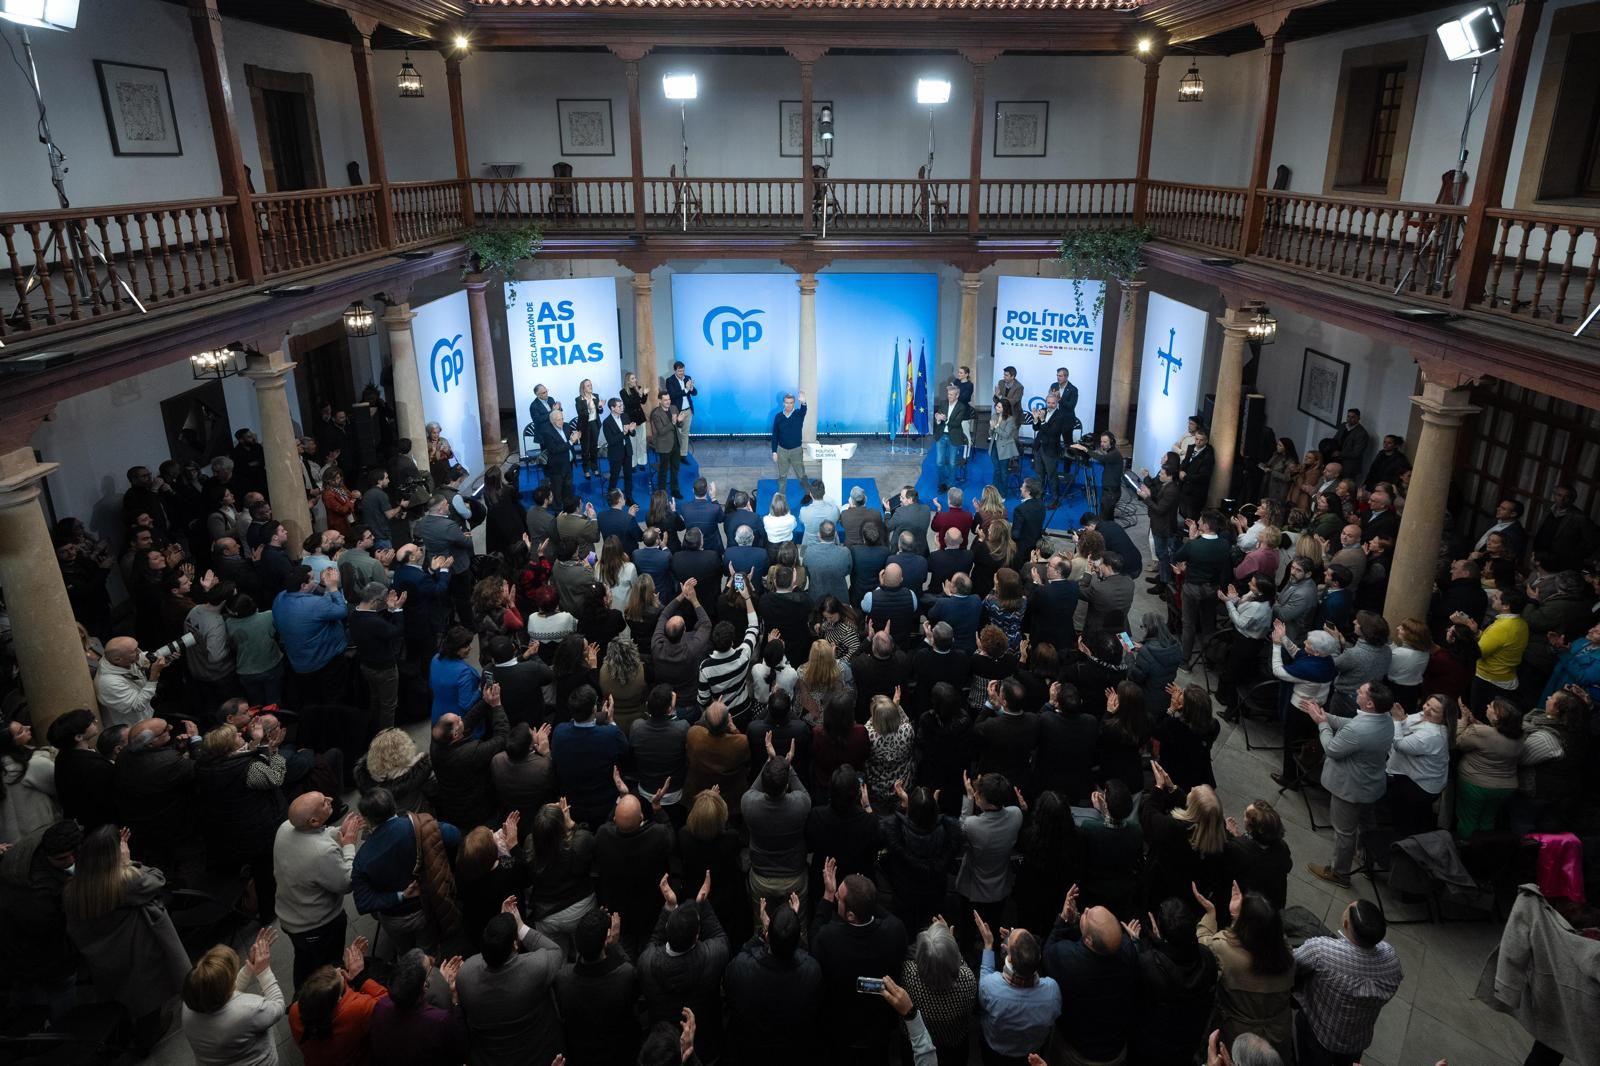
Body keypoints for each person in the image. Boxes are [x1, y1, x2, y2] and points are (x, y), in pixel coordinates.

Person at [65, 824, 191, 1052]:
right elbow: (157, 879)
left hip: (105, 958)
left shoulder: (75, 890)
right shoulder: (125, 882)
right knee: (148, 1004)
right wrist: (127, 863)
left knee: (129, 998)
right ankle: (147, 1040)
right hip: (137, 952)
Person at [811, 860, 910, 1063]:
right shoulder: (895, 932)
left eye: (839, 898)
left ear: (850, 915)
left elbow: (815, 936)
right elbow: (886, 915)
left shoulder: (829, 939)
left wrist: (828, 895)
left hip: (840, 1029)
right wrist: (866, 893)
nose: (836, 897)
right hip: (880, 1029)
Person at [1301, 682, 1396, 890]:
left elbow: (1333, 748)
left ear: (1369, 703)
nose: (1356, 692)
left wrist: (1321, 724)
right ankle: (1367, 861)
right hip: (1371, 785)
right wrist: (1328, 718)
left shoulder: (1359, 730)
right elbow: (1352, 724)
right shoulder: (1385, 718)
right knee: (1367, 825)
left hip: (1349, 788)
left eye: (1360, 692)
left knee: (1344, 832)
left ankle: (1340, 873)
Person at [1291, 900, 1403, 1066]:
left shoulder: (1321, 951)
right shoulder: (1392, 960)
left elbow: (1292, 964)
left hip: (1319, 1033)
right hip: (1357, 1040)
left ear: (1345, 925)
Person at [274, 790, 364, 990]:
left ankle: (301, 998)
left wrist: (339, 831)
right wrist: (348, 845)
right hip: (317, 925)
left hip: (291, 916)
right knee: (326, 969)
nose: (331, 799)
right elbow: (347, 882)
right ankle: (326, 1003)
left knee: (305, 961)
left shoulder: (285, 827)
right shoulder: (322, 853)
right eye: (324, 803)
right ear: (314, 820)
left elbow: (318, 835)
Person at [456, 902, 565, 1066]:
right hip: (538, 1055)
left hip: (491, 1058)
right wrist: (520, 928)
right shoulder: (535, 968)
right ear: (515, 944)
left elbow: (488, 956)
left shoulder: (465, 975)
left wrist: (500, 936)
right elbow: (556, 952)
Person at [638, 872, 731, 1063]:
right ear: (697, 936)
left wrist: (669, 908)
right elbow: (720, 938)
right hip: (705, 1042)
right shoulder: (712, 957)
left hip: (663, 1046)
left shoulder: (646, 963)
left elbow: (653, 942)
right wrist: (703, 905)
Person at [1196, 885, 1295, 1061]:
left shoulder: (1226, 950)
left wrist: (1211, 916)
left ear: (1245, 925)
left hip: (1239, 1034)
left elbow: (1204, 946)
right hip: (1278, 1033)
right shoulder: (1285, 953)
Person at [1042, 888, 1139, 1066]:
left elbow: (1049, 952)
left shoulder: (1069, 961)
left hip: (1076, 1053)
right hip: (1116, 1050)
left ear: (1088, 941)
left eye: (1087, 916)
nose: (1085, 910)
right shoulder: (1129, 952)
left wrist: (1064, 920)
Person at [725, 895, 822, 1065]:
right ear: (798, 938)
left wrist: (762, 934)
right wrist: (792, 925)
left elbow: (740, 959)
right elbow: (805, 954)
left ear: (768, 937)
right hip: (796, 1051)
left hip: (751, 1051)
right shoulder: (812, 971)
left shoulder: (741, 968)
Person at [180, 930, 284, 1066]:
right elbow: (278, 1006)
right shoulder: (248, 1010)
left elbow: (223, 992)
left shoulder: (190, 1004)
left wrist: (250, 968)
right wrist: (263, 971)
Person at [1454, 697, 1525, 837]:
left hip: (1476, 785)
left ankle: (1466, 851)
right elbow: (1494, 735)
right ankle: (1485, 850)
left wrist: (1463, 721)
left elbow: (1458, 742)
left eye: (1491, 706)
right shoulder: (1519, 736)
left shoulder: (1480, 732)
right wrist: (1474, 723)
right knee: (1488, 820)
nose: (1487, 706)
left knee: (1469, 820)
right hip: (1505, 787)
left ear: (1498, 717)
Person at [1385, 693, 1450, 839]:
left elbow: (1400, 744)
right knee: (1415, 817)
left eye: (1433, 710)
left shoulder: (1432, 735)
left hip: (1420, 786)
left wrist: (1397, 720)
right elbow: (1407, 721)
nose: (1426, 710)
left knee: (1406, 820)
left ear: (1444, 718)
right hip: (1416, 777)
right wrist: (1401, 721)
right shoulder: (1425, 716)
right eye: (1427, 704)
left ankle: (1405, 846)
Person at [1224, 800, 1292, 911]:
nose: (1243, 814)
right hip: (1273, 905)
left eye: (1246, 814)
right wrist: (1239, 837)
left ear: (1252, 828)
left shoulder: (1236, 848)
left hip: (1247, 908)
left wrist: (1231, 838)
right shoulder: (1282, 847)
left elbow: (1227, 869)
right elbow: (1287, 866)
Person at [772, 391, 808, 495]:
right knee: (782, 475)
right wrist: (774, 451)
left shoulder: (798, 414)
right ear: (783, 403)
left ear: (794, 403)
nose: (789, 405)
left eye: (791, 402)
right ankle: (781, 495)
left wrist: (804, 402)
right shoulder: (778, 417)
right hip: (782, 451)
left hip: (796, 451)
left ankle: (808, 494)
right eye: (787, 402)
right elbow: (775, 435)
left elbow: (804, 410)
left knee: (801, 474)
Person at [667, 360, 698, 454]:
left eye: (683, 370)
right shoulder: (670, 380)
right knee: (677, 434)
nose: (682, 373)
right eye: (679, 371)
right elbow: (672, 395)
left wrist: (691, 388)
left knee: (685, 434)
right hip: (677, 411)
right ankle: (676, 454)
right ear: (675, 371)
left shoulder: (687, 378)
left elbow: (695, 393)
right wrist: (686, 389)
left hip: (688, 410)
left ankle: (683, 454)